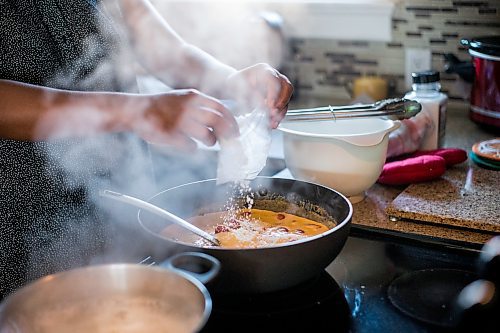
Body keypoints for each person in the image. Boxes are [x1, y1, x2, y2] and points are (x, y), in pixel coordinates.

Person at [0, 0, 293, 299]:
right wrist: (136, 110)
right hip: (20, 210)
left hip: (118, 193)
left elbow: (161, 47)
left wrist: (233, 81)